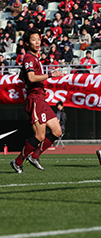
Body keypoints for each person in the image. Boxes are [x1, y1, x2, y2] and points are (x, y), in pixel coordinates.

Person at [10, 30, 64, 173]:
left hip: (41, 99)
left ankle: (34, 156)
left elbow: (22, 76)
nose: (37, 42)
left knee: (57, 131)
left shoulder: (34, 58)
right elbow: (32, 78)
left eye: (38, 39)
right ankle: (18, 161)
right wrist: (50, 74)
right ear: (27, 43)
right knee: (40, 136)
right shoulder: (29, 58)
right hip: (35, 100)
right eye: (33, 40)